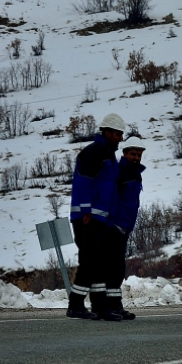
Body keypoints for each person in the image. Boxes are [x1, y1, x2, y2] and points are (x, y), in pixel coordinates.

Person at [68, 112, 125, 320]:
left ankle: (100, 307)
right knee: (91, 261)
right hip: (87, 218)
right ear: (108, 132)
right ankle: (75, 304)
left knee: (99, 261)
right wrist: (85, 211)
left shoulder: (109, 155)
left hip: (100, 219)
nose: (120, 138)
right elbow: (84, 182)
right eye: (118, 134)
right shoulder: (93, 153)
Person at [101, 135, 147, 321]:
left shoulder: (135, 173)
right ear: (125, 153)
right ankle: (105, 307)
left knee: (118, 269)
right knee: (111, 268)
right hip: (113, 227)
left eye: (139, 154)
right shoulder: (118, 171)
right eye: (133, 154)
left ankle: (115, 306)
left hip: (125, 227)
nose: (136, 157)